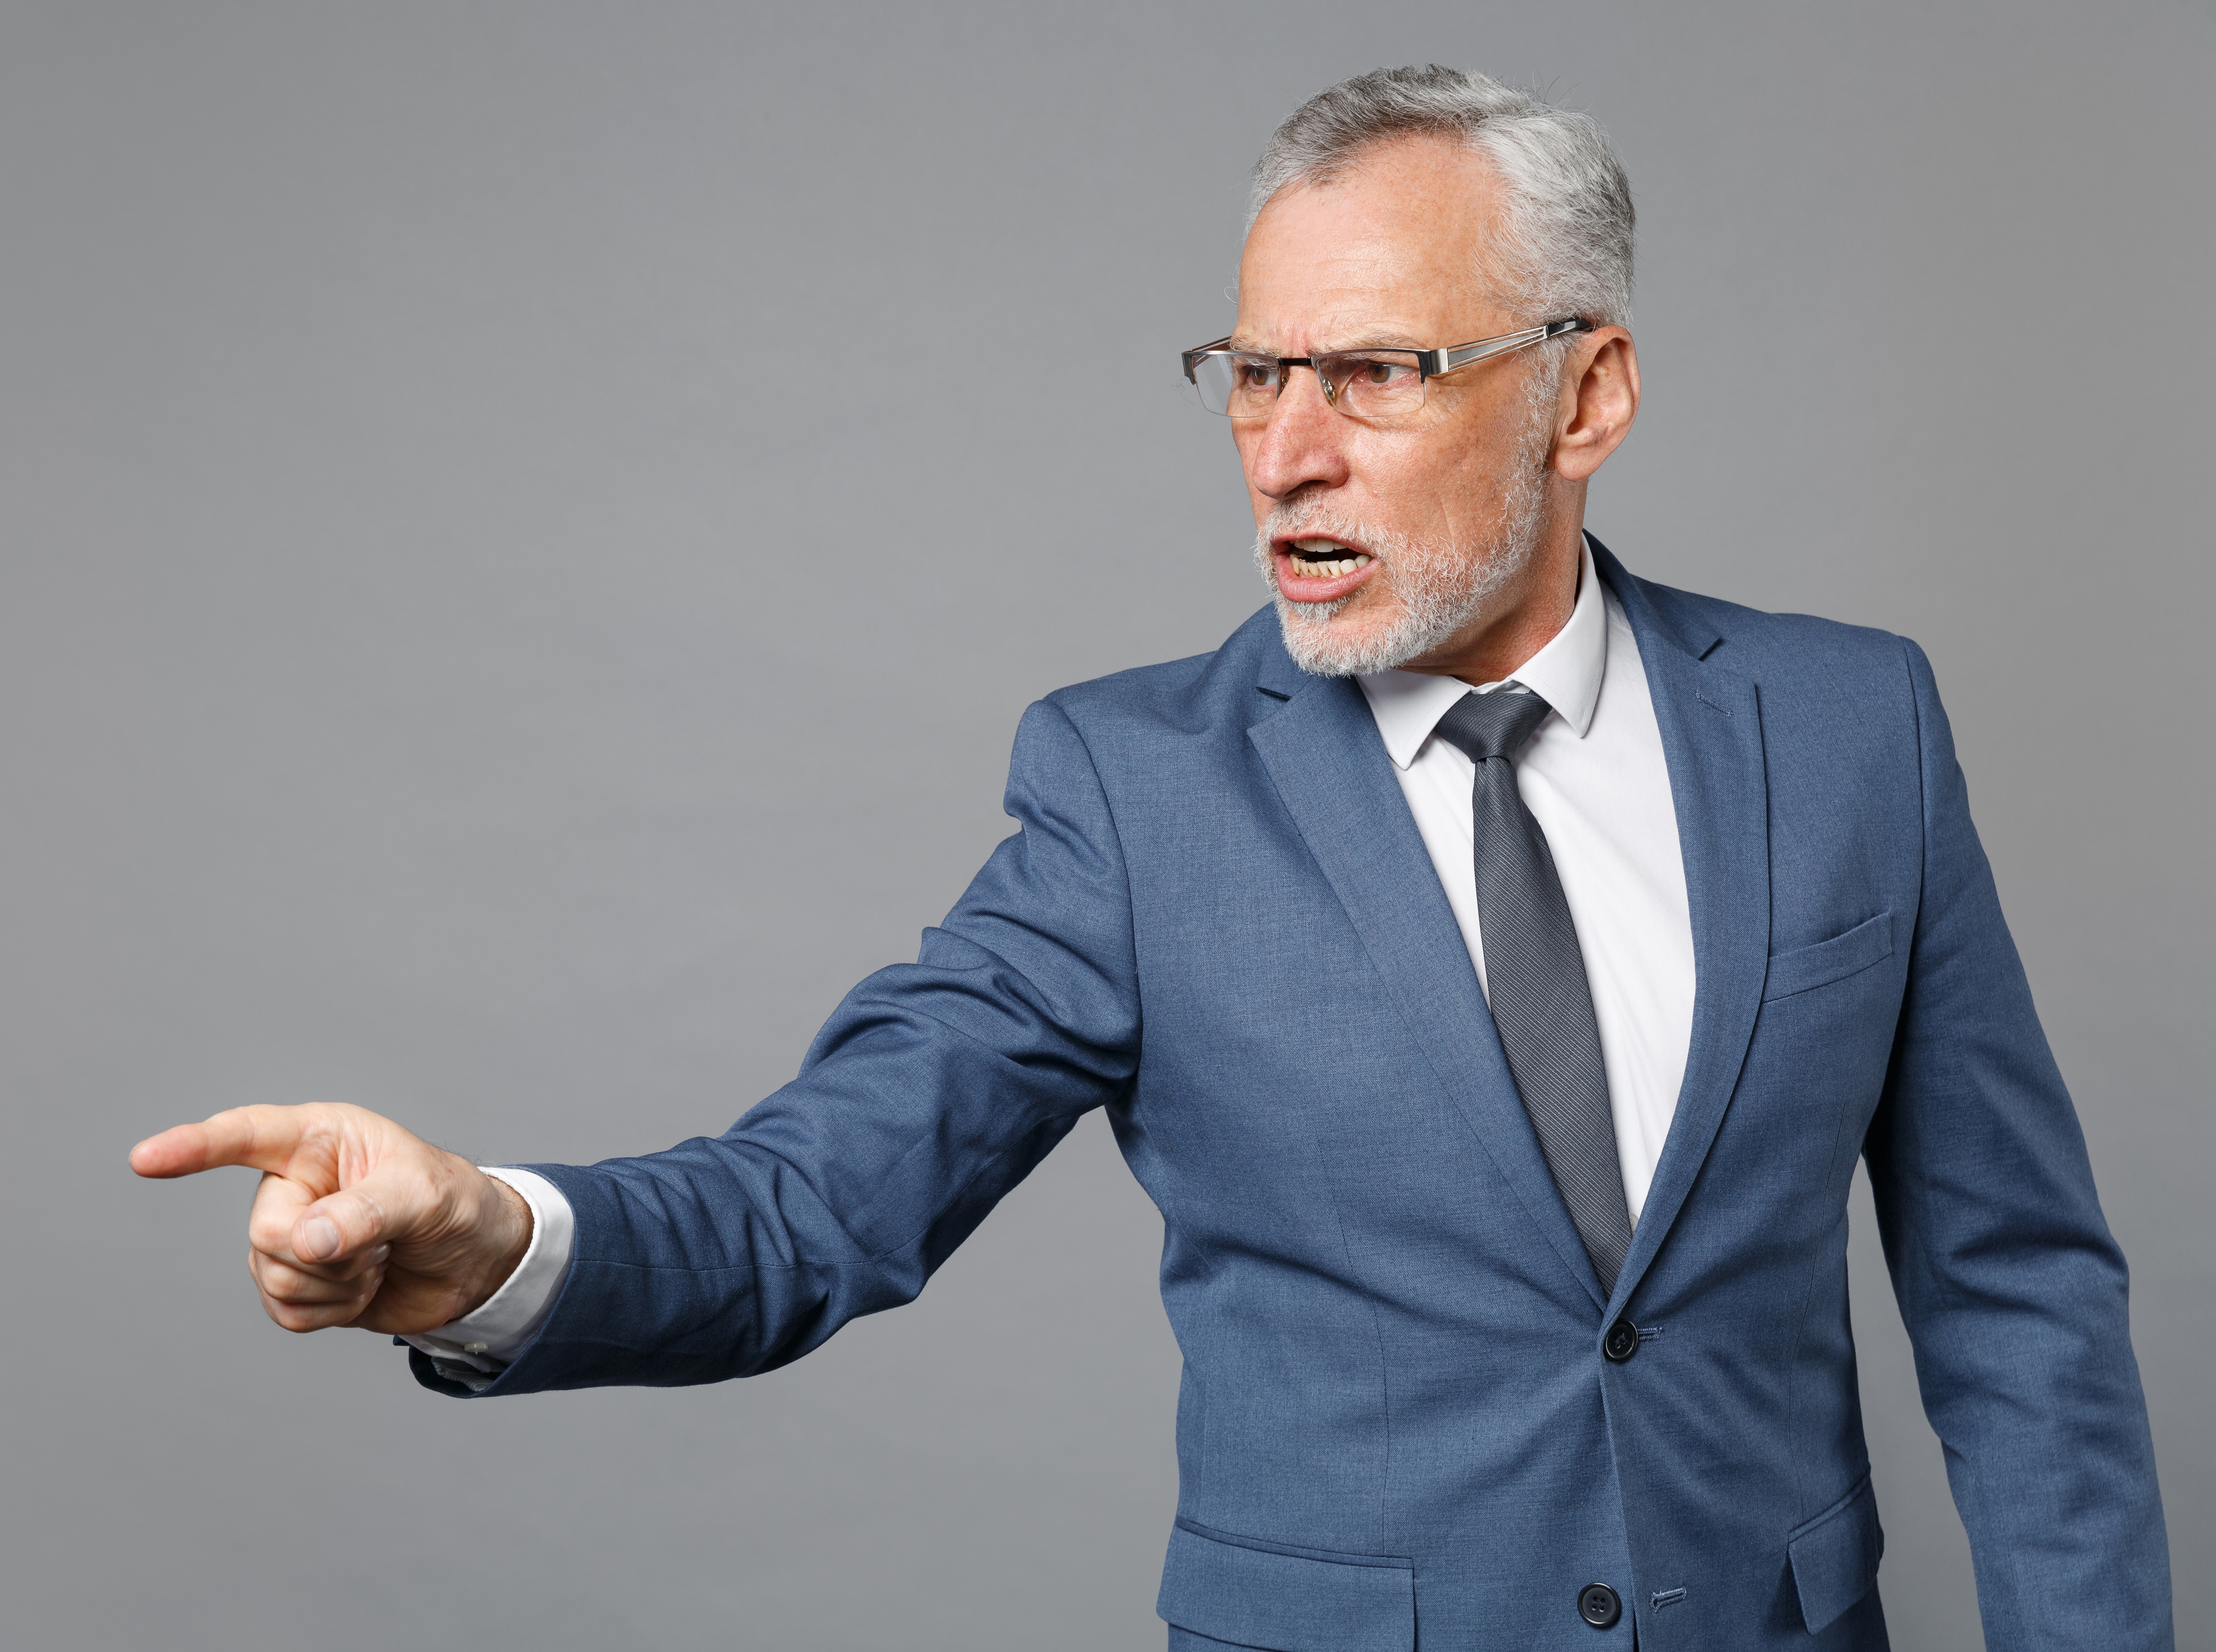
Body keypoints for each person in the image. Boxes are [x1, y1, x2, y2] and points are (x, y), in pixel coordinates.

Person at [130, 66, 2171, 1649]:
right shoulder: (1134, 793)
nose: (1287, 448)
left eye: (1377, 372)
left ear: (1588, 391)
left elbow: (2015, 1290)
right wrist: (491, 1237)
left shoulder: (1848, 729)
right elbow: (817, 1199)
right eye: (1256, 373)